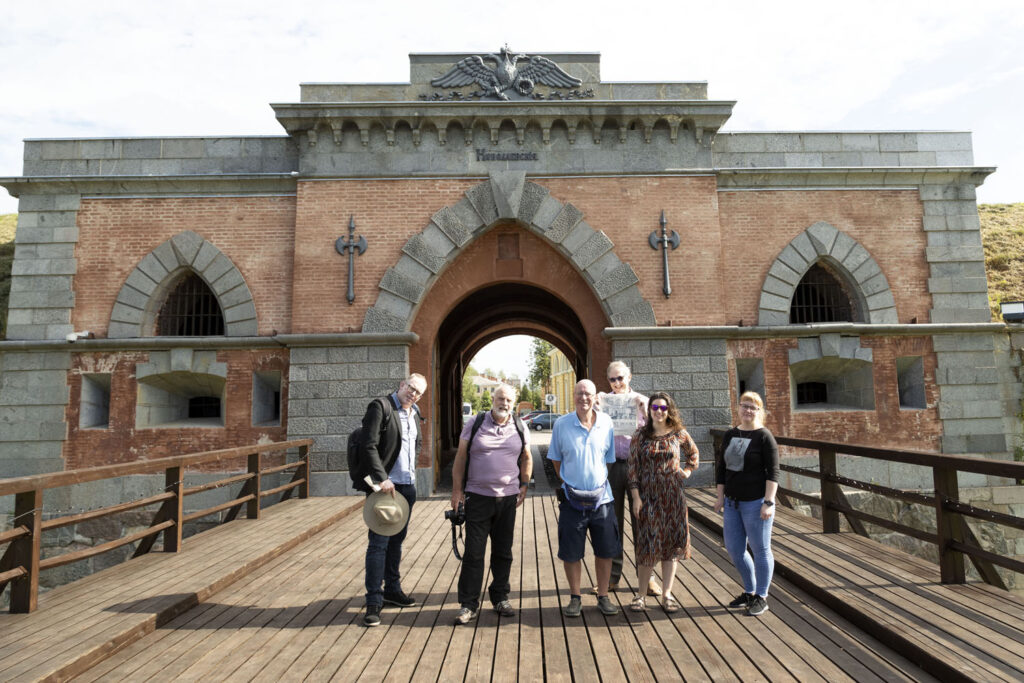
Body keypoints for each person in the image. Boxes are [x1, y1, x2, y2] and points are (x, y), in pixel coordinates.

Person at [450, 383, 533, 624]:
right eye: (500, 398)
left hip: (507, 499)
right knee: (474, 553)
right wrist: (457, 491)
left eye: (508, 400)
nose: (504, 403)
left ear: (513, 403)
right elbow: (461, 456)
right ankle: (468, 604)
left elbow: (527, 457)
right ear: (492, 399)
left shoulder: (519, 426)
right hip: (477, 497)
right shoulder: (475, 423)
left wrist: (524, 484)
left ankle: (500, 597)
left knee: (503, 552)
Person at [357, 373, 428, 627]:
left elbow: (415, 445)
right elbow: (369, 445)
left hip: (407, 488)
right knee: (378, 545)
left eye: (418, 392)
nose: (413, 394)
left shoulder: (415, 411)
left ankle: (392, 590)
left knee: (396, 542)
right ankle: (374, 600)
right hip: (385, 488)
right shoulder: (381, 407)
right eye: (411, 388)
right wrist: (381, 477)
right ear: (401, 385)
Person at [547, 379, 620, 618]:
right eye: (579, 393)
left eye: (588, 393)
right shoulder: (561, 424)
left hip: (603, 500)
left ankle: (603, 596)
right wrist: (571, 482)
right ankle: (575, 597)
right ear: (574, 395)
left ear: (594, 397)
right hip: (572, 500)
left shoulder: (607, 423)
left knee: (605, 550)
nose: (584, 398)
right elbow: (556, 460)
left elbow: (608, 460)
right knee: (571, 552)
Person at [627, 392, 698, 613]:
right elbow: (632, 469)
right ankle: (640, 595)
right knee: (648, 545)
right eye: (655, 408)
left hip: (673, 497)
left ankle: (667, 594)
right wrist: (636, 497)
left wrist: (686, 471)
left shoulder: (679, 434)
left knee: (670, 546)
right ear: (648, 410)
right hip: (648, 498)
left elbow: (694, 455)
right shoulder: (640, 435)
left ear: (669, 410)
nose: (659, 412)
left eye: (663, 408)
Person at [596, 360, 660, 597]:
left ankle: (648, 578)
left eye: (621, 378)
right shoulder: (602, 402)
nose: (617, 383)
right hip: (611, 466)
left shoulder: (644, 401)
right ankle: (613, 578)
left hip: (639, 468)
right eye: (612, 379)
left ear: (630, 377)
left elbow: (658, 432)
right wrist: (595, 407)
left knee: (642, 523)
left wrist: (646, 411)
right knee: (611, 523)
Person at [714, 391, 779, 617]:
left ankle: (762, 596)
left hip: (756, 502)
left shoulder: (764, 437)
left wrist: (769, 502)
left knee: (760, 549)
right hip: (732, 502)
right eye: (745, 406)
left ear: (759, 411)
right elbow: (721, 468)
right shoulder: (731, 434)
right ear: (738, 408)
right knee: (734, 549)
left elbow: (773, 473)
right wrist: (720, 496)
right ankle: (749, 591)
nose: (748, 410)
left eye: (753, 407)